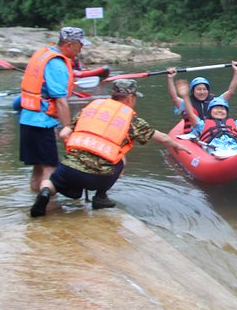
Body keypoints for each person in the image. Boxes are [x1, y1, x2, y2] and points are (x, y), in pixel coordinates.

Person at [30, 79, 192, 217]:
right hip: (98, 177)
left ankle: (44, 192)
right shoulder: (132, 121)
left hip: (69, 169)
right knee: (120, 157)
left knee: (51, 183)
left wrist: (79, 150)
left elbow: (64, 133)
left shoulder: (90, 109)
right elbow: (162, 138)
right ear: (129, 98)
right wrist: (177, 145)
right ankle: (100, 197)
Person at [19, 26, 89, 194]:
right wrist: (67, 131)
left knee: (38, 167)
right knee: (50, 167)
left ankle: (36, 198)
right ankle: (48, 207)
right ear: (69, 45)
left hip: (26, 119)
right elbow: (61, 102)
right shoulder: (57, 64)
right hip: (41, 123)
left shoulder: (43, 54)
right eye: (80, 46)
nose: (81, 50)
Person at [177, 81, 237, 155]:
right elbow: (191, 115)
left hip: (235, 148)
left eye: (222, 109)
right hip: (215, 149)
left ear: (227, 113)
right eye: (216, 108)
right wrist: (185, 96)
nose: (220, 110)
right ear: (210, 112)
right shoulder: (202, 125)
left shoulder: (235, 124)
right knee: (221, 153)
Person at [166, 61, 237, 133]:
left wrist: (236, 72)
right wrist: (170, 79)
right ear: (193, 91)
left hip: (213, 132)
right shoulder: (187, 102)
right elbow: (174, 99)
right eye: (199, 89)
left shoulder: (215, 101)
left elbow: (231, 92)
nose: (202, 92)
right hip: (193, 133)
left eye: (205, 89)